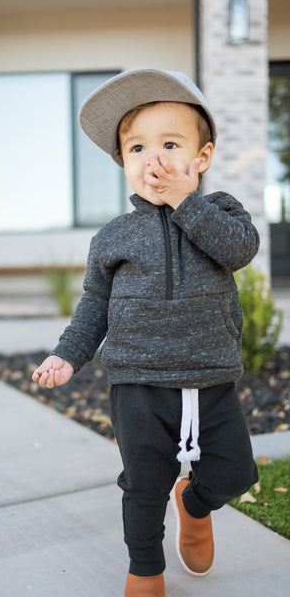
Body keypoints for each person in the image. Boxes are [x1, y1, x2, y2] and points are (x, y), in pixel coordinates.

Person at [32, 69, 259, 597]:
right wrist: (69, 354)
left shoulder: (220, 211)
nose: (152, 159)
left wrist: (185, 202)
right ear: (123, 164)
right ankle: (145, 570)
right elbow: (95, 306)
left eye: (170, 144)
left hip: (211, 377)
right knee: (143, 484)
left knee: (234, 474)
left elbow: (238, 250)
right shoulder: (114, 236)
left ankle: (195, 503)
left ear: (201, 159)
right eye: (136, 147)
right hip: (137, 382)